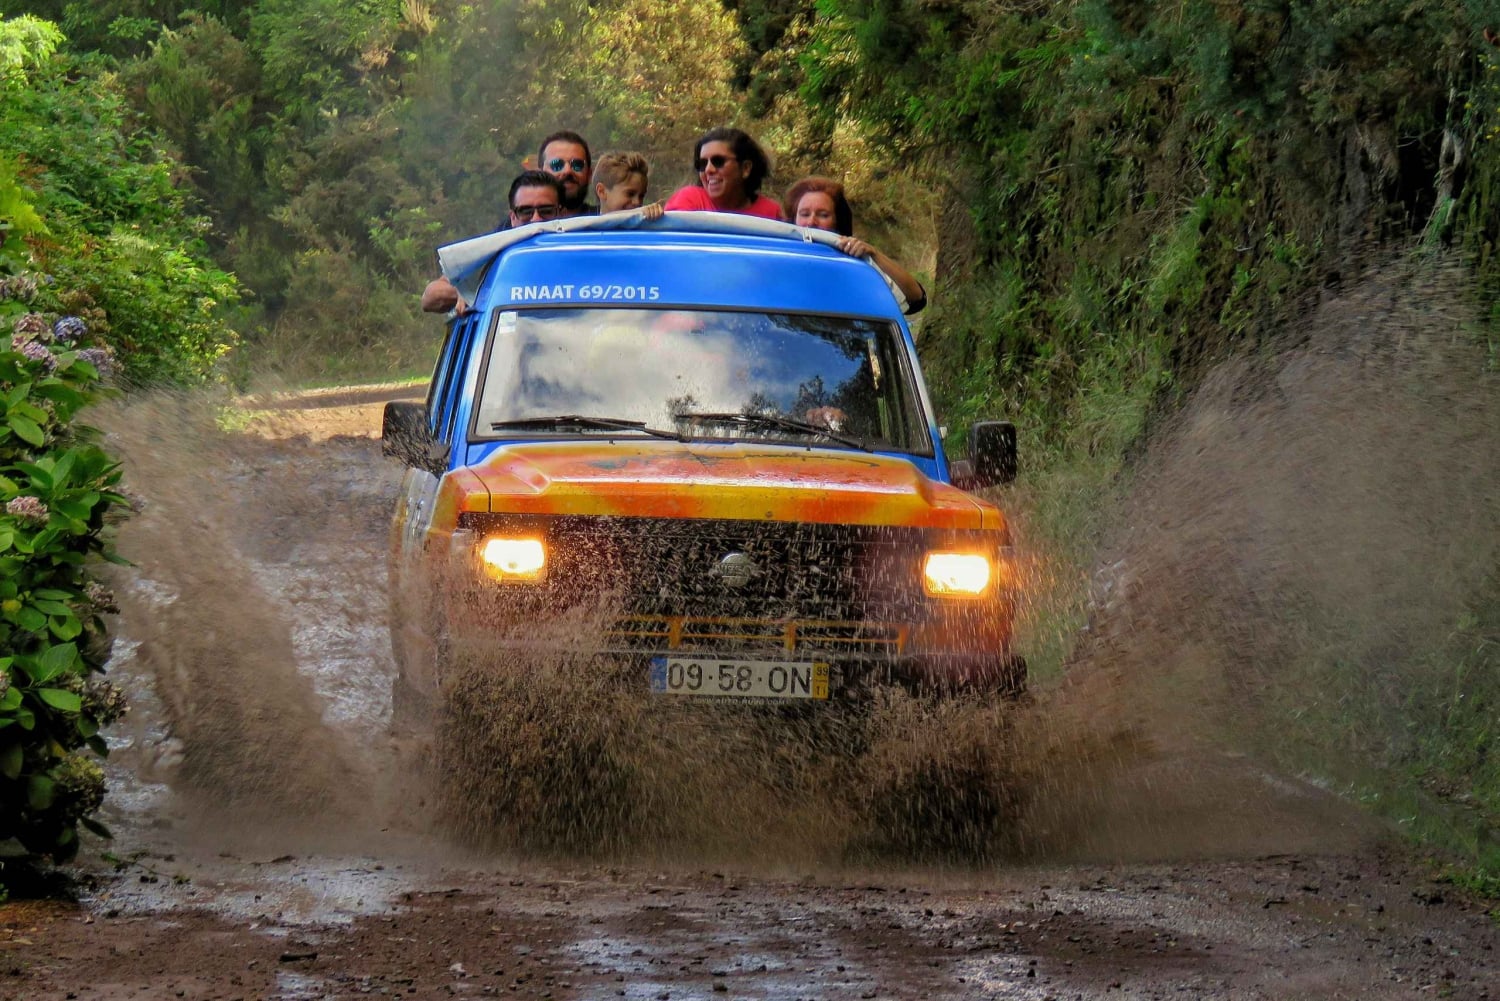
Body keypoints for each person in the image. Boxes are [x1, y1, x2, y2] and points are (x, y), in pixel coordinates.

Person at [420, 171, 565, 314]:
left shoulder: (582, 251)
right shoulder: (493, 253)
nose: (536, 219)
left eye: (546, 210)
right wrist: (466, 293)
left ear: (560, 213)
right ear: (513, 217)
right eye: (526, 211)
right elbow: (430, 298)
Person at [784, 176, 926, 314]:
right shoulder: (780, 255)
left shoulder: (853, 260)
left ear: (838, 221)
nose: (811, 222)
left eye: (823, 215)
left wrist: (873, 254)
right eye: (804, 214)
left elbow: (915, 298)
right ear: (793, 219)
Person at [663, 127, 782, 219]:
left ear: (745, 168)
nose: (709, 169)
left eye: (718, 161)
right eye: (702, 164)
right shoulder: (690, 201)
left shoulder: (772, 213)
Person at [537, 130, 595, 216]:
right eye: (557, 164)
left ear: (589, 175)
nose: (567, 171)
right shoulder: (517, 225)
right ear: (540, 174)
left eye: (577, 164)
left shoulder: (607, 222)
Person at [592, 151, 664, 219]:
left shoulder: (644, 226)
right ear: (602, 191)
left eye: (641, 196)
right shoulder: (586, 228)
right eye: (630, 194)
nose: (637, 202)